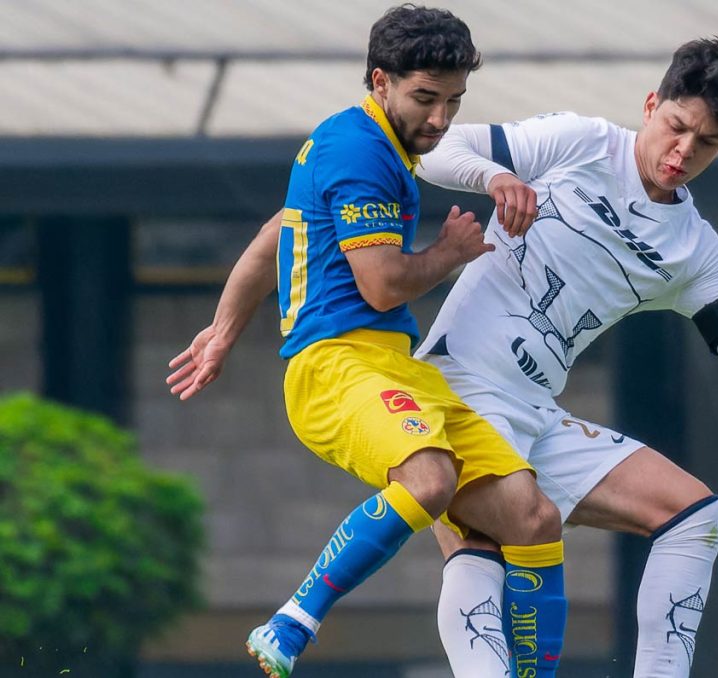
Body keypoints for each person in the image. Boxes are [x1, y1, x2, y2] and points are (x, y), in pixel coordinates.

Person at [169, 38, 718, 677]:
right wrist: (497, 176)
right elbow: (437, 151)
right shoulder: (577, 143)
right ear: (651, 104)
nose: (682, 152)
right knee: (487, 538)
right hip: (457, 385)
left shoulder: (696, 251)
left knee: (694, 515)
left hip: (534, 411)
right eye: (677, 127)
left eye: (707, 143)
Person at [166, 6, 569, 678]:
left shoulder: (364, 141)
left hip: (393, 366)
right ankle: (294, 619)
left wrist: (222, 334)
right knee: (430, 479)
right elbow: (382, 287)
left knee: (532, 518)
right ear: (380, 80)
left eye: (453, 101)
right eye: (426, 98)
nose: (440, 119)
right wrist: (450, 252)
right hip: (336, 367)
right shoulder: (360, 151)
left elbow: (274, 237)